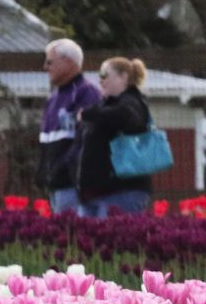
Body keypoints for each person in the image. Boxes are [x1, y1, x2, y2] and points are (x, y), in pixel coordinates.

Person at [77, 56, 154, 217]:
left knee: (117, 240)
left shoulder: (132, 102)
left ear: (123, 77)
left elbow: (126, 117)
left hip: (121, 191)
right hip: (95, 192)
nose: (100, 80)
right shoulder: (106, 104)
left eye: (105, 75)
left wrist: (89, 113)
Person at [39, 38, 100, 216]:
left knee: (72, 233)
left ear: (68, 62)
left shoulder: (86, 93)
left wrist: (66, 167)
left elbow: (89, 138)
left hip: (72, 183)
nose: (45, 67)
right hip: (55, 183)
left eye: (50, 62)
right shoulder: (53, 98)